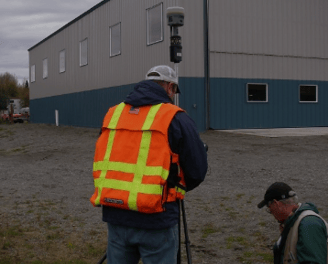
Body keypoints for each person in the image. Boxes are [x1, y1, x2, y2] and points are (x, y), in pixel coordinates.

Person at [90, 65, 208, 264]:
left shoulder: (114, 114)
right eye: (174, 91)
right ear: (170, 87)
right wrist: (174, 186)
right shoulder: (175, 117)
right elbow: (196, 170)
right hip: (157, 219)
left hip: (116, 214)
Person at [258, 182, 328, 264]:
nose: (271, 212)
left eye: (270, 209)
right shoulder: (293, 222)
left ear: (276, 204)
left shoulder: (309, 224)